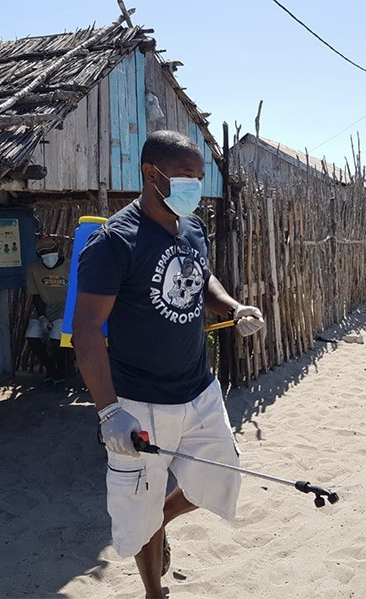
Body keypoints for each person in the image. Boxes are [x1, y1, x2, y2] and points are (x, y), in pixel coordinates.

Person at [73, 130, 265, 599]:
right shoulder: (114, 241)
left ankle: (162, 517)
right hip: (141, 401)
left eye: (199, 178)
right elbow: (85, 331)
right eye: (184, 177)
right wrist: (109, 412)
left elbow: (202, 277)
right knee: (137, 514)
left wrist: (232, 308)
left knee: (217, 480)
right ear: (150, 173)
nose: (194, 187)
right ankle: (153, 591)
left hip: (199, 389)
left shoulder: (192, 227)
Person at [25, 236, 70, 385]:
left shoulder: (69, 266)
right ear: (39, 255)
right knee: (32, 336)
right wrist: (42, 316)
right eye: (44, 252)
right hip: (44, 308)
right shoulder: (33, 269)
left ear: (57, 250)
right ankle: (51, 369)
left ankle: (61, 370)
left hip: (64, 309)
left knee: (57, 339)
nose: (49, 254)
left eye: (51, 250)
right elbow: (36, 295)